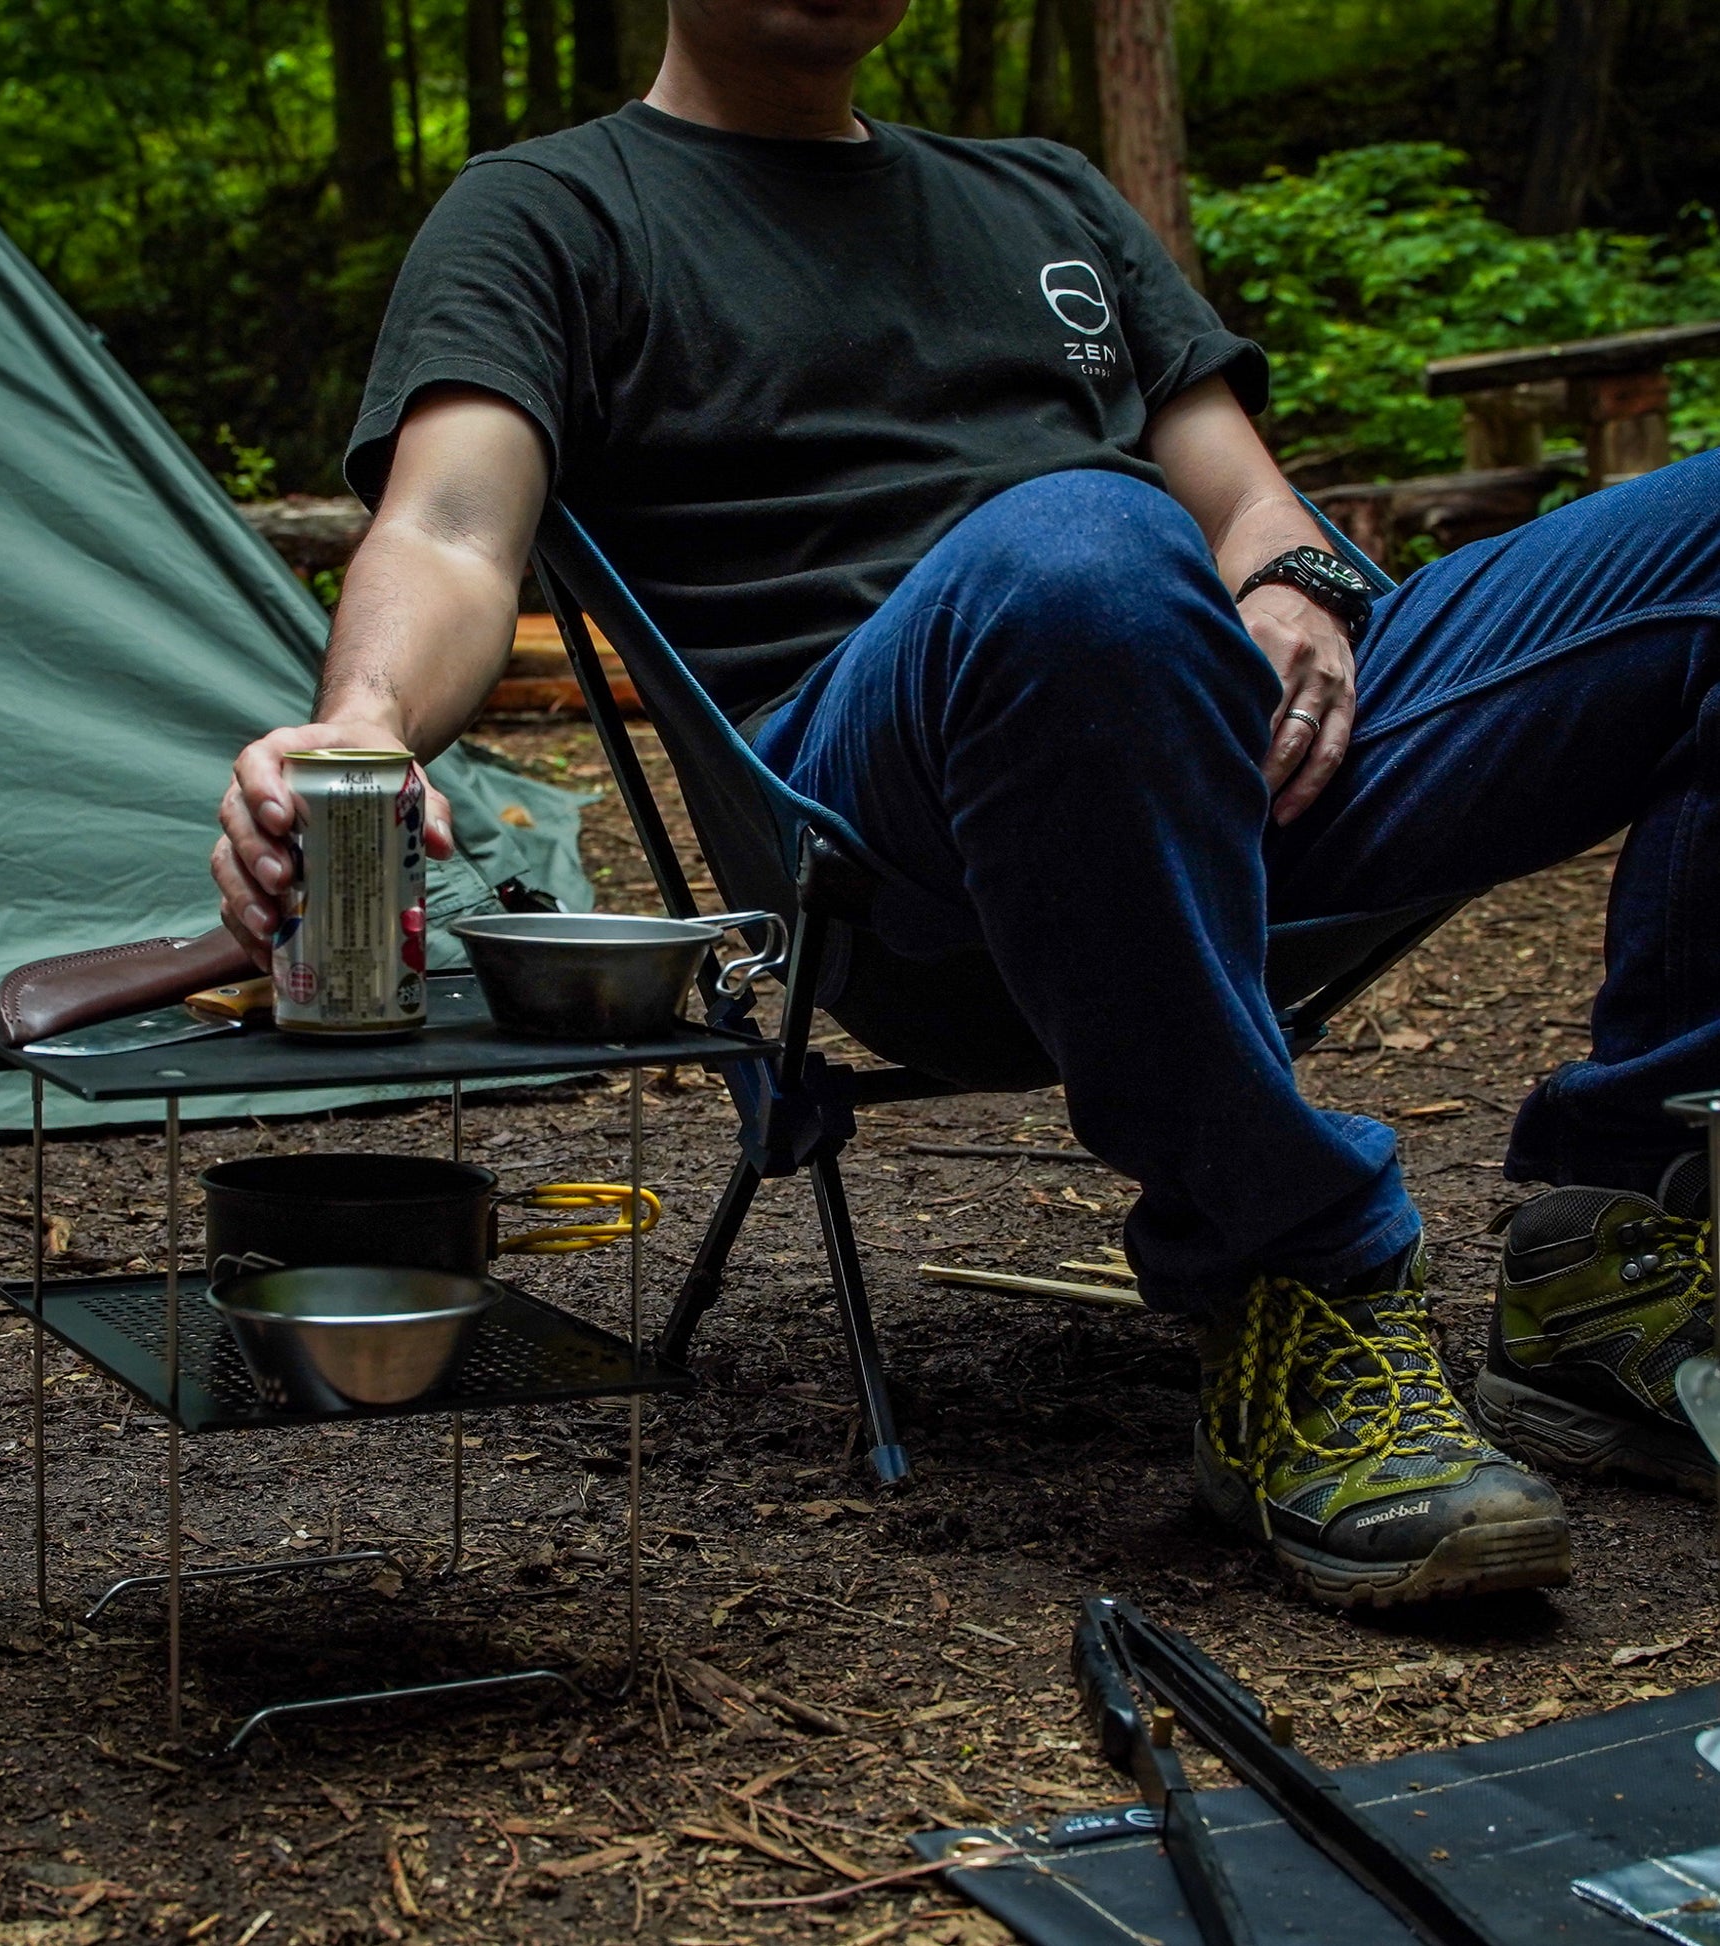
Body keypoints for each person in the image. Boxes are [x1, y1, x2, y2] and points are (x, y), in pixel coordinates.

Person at [214, 0, 1720, 1610]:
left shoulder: (1043, 195)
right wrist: (360, 722)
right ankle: (1295, 1266)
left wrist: (1287, 577)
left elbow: (1246, 500)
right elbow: (450, 531)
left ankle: (1620, 1232)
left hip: (1224, 733)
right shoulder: (553, 212)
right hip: (883, 840)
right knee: (1077, 550)